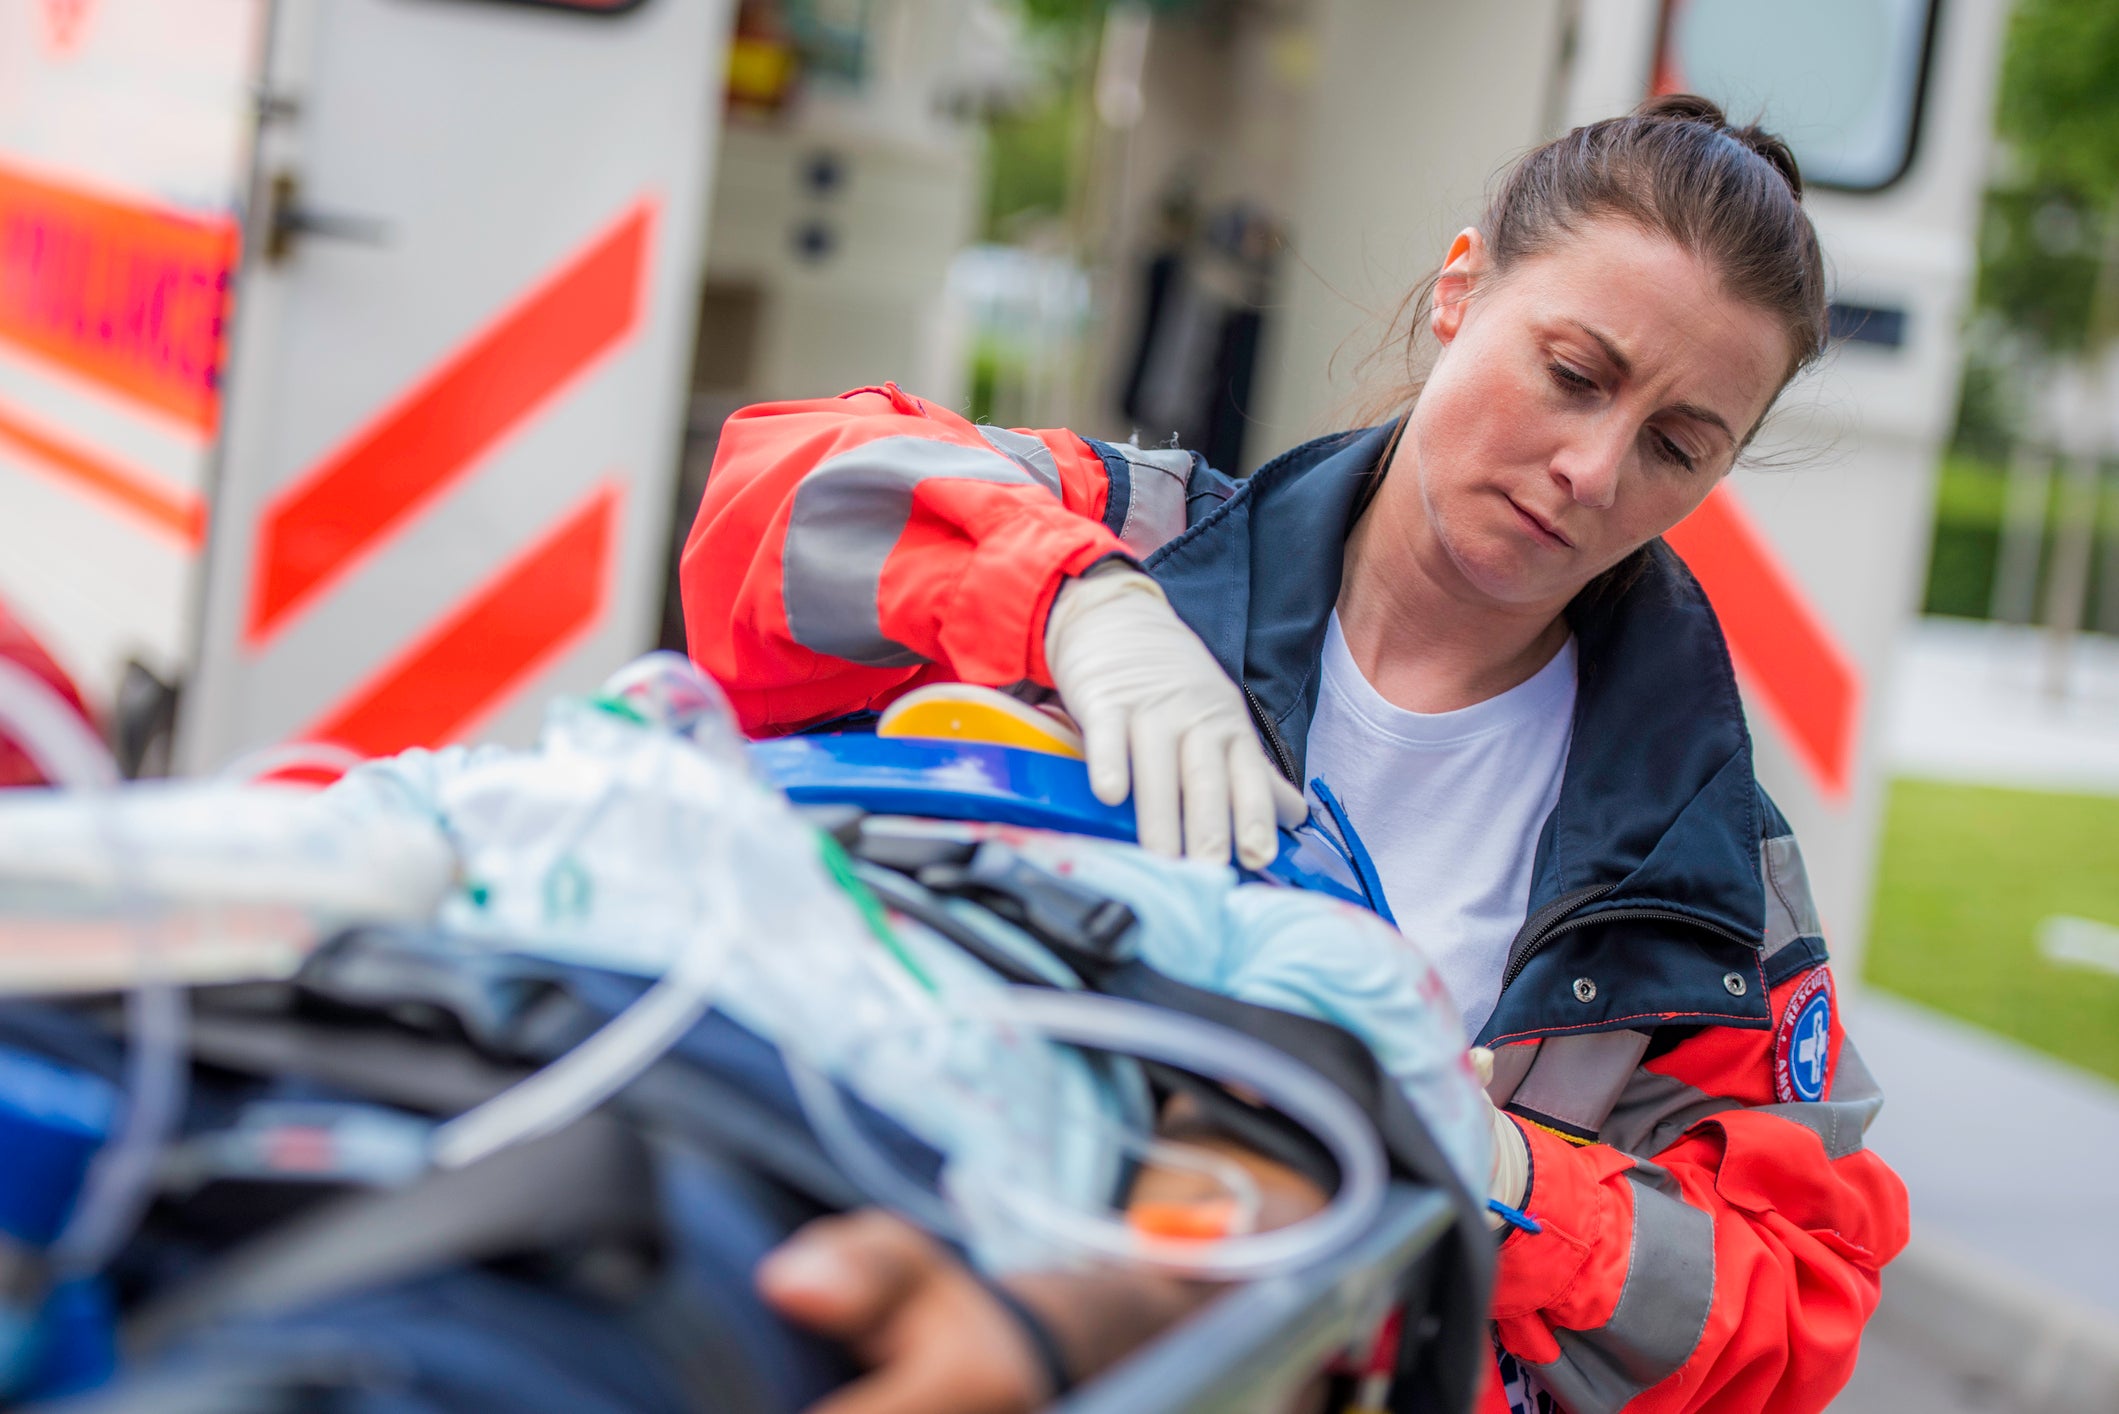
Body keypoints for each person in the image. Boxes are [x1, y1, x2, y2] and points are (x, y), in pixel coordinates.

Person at [684, 94, 1910, 1414]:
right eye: (1573, 373)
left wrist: (1505, 1175)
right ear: (1460, 290)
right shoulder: (1140, 539)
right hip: (867, 1267)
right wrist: (1073, 606)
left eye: (1676, 446)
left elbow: (1795, 1297)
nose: (1594, 468)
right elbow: (778, 495)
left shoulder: (1704, 860)